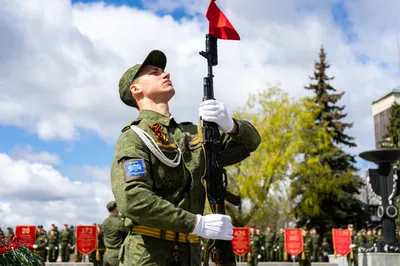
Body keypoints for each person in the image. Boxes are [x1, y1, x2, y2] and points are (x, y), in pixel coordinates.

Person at [111, 50, 261, 266]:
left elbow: (251, 142)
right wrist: (195, 223)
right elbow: (133, 200)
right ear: (136, 89)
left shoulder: (192, 134)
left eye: (163, 70)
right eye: (155, 72)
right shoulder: (134, 137)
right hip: (149, 256)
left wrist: (231, 125)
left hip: (191, 255)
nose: (165, 74)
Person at [102, 200, 129, 266]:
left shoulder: (105, 221)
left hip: (106, 254)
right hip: (116, 255)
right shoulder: (119, 223)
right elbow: (130, 231)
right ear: (116, 208)